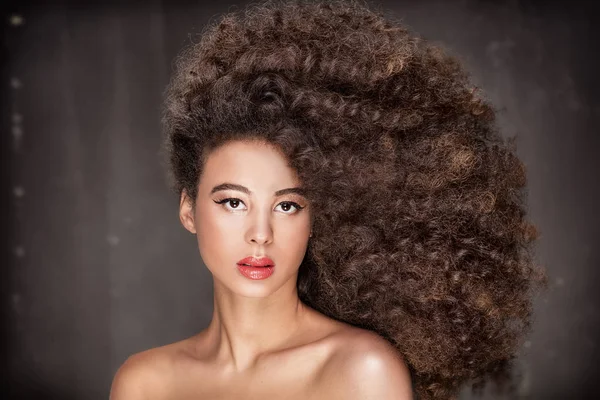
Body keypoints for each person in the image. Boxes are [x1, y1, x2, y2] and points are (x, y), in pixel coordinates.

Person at [110, 0, 545, 399]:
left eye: (287, 205)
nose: (260, 235)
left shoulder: (362, 371)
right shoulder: (145, 382)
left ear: (322, 215)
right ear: (189, 209)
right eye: (233, 202)